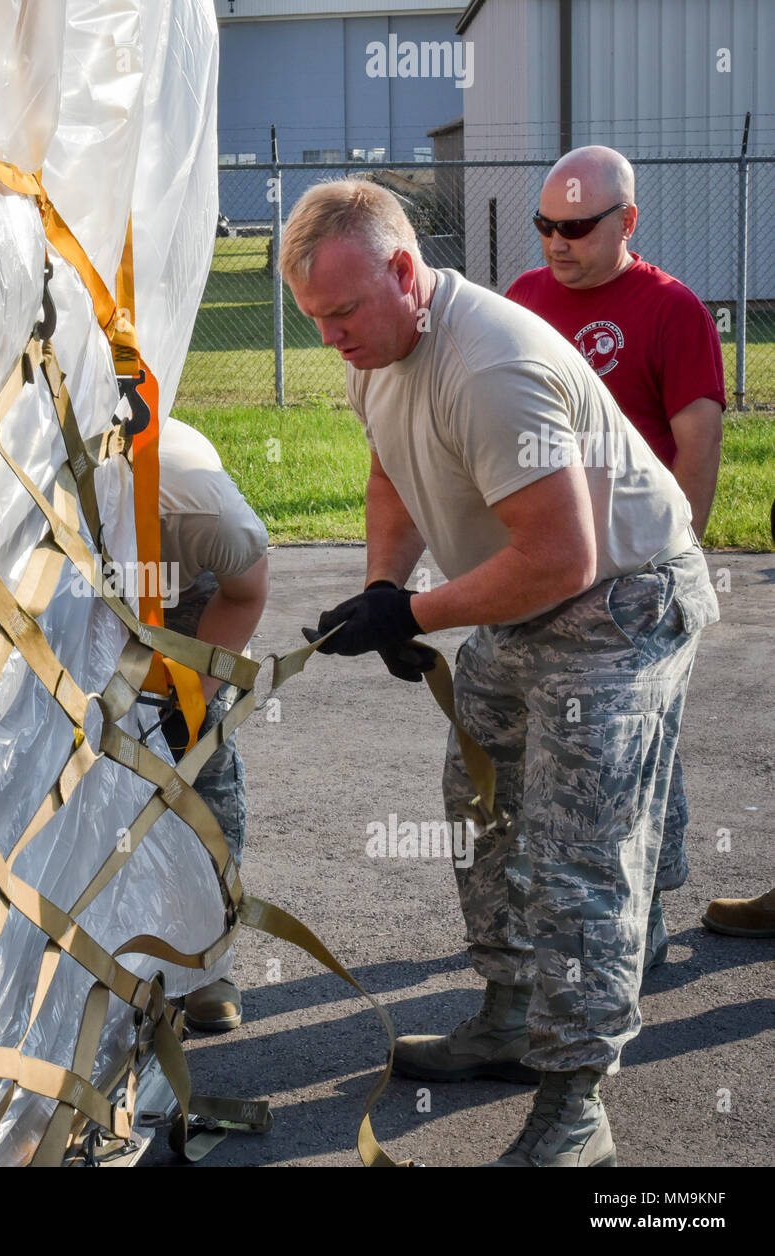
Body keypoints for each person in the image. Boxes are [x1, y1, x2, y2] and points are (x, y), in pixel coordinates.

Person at [281, 179, 719, 1166]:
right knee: (477, 789)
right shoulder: (379, 352)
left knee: (575, 850)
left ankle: (574, 1105)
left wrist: (420, 611)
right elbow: (391, 464)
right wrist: (384, 584)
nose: (330, 338)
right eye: (314, 318)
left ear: (403, 270)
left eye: (343, 312)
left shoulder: (490, 363)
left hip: (620, 598)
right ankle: (510, 1012)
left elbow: (560, 556)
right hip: (532, 600)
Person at [507, 146, 725, 969]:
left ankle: (649, 908)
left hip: (637, 577)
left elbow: (698, 443)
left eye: (574, 228)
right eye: (544, 227)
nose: (555, 244)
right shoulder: (524, 300)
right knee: (556, 750)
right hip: (550, 565)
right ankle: (546, 917)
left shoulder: (672, 308)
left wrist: (670, 561)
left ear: (626, 221)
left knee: (636, 752)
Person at [157, 416, 269, 1031]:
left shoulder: (202, 513)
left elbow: (246, 592)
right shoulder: (30, 485)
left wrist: (193, 698)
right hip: (72, 589)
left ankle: (205, 964)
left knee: (200, 762)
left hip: (183, 584)